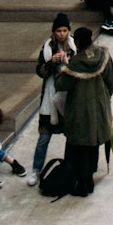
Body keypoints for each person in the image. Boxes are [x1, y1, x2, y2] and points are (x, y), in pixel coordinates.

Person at [56, 27, 113, 197]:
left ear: (77, 42)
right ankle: (90, 175)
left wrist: (62, 66)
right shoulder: (103, 55)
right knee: (94, 140)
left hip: (80, 110)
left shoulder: (75, 64)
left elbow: (61, 85)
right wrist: (104, 98)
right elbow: (112, 80)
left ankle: (83, 184)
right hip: (99, 106)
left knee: (81, 144)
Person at [31, 17, 72, 177]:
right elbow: (40, 71)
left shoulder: (74, 47)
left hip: (68, 98)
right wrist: (51, 62)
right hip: (49, 98)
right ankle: (36, 169)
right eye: (58, 31)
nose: (61, 34)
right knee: (44, 138)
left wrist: (68, 63)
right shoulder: (47, 47)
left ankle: (70, 169)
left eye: (64, 31)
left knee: (72, 138)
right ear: (53, 32)